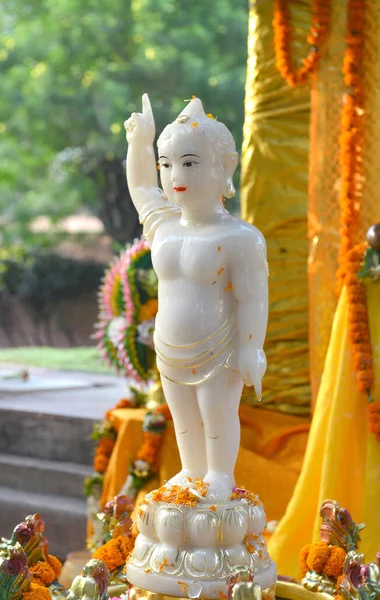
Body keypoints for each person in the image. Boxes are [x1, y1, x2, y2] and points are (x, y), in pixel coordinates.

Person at [124, 94, 268, 499]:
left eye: (190, 163)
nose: (175, 176)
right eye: (166, 165)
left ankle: (220, 474)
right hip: (170, 347)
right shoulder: (165, 226)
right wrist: (140, 142)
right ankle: (191, 469)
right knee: (183, 416)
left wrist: (251, 349)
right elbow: (140, 186)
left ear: (225, 166)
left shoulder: (240, 238)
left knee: (216, 412)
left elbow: (253, 300)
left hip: (217, 346)